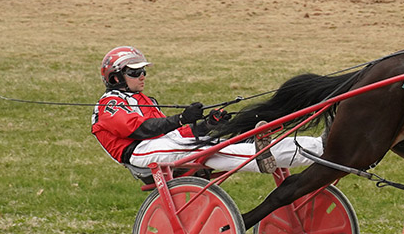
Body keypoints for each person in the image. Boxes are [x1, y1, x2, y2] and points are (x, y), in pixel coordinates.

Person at [91, 46, 322, 175]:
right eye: (134, 72)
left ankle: (318, 147)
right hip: (137, 152)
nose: (141, 76)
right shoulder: (110, 103)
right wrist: (181, 118)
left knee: (226, 143)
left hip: (157, 145)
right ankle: (260, 158)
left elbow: (172, 135)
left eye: (143, 71)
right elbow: (140, 130)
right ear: (115, 76)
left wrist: (208, 125)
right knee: (211, 149)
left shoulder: (145, 100)